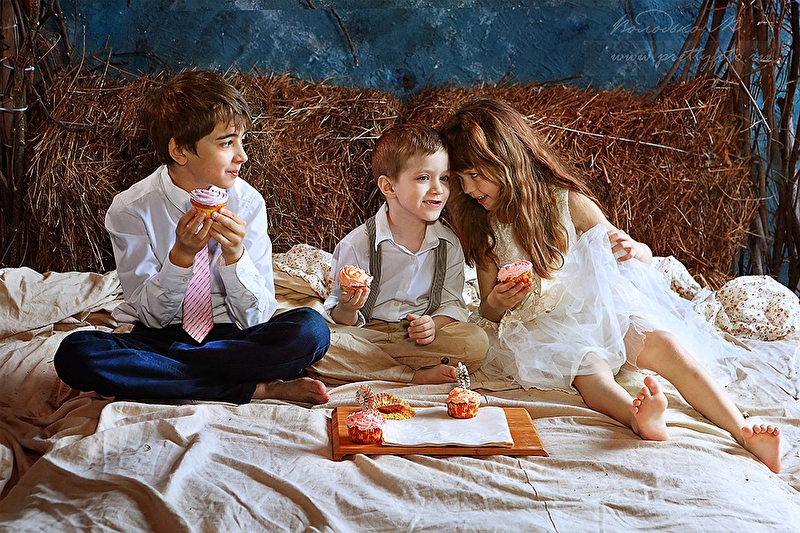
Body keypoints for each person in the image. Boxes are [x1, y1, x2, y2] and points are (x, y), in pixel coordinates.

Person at [438, 97, 782, 473]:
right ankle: (637, 417)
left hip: (598, 308)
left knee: (665, 344)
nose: (468, 188)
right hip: (543, 327)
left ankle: (742, 430)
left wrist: (635, 250)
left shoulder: (568, 202)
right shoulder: (486, 230)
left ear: (508, 159)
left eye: (476, 174)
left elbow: (630, 254)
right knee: (589, 370)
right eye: (460, 179)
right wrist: (500, 301)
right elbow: (488, 311)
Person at [54, 70, 330, 405]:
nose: (242, 155)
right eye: (227, 143)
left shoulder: (248, 203)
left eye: (241, 141)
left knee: (312, 330)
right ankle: (253, 387)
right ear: (180, 150)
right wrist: (181, 257)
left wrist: (236, 257)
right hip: (159, 335)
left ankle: (169, 372)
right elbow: (150, 316)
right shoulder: (130, 209)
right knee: (76, 353)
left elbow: (257, 316)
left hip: (233, 338)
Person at [310, 124, 489, 385]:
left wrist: (433, 325)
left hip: (415, 338)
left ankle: (371, 368)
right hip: (366, 333)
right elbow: (341, 318)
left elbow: (452, 303)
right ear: (389, 187)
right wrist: (348, 307)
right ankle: (411, 375)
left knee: (476, 342)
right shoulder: (357, 244)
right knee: (320, 344)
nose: (438, 189)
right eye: (423, 178)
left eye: (444, 178)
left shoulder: (448, 245)